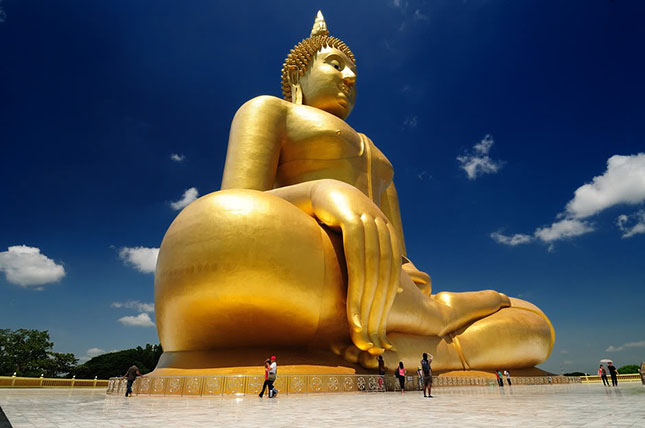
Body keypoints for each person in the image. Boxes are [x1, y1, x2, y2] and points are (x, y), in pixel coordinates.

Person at [152, 10, 555, 375]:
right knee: (216, 222)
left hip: (381, 279)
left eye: (353, 73)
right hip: (306, 257)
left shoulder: (376, 153)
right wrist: (319, 191)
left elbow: (395, 249)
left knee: (533, 322)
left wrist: (406, 283)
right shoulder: (272, 110)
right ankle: (436, 328)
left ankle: (444, 347)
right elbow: (239, 203)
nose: (349, 78)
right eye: (335, 64)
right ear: (298, 76)